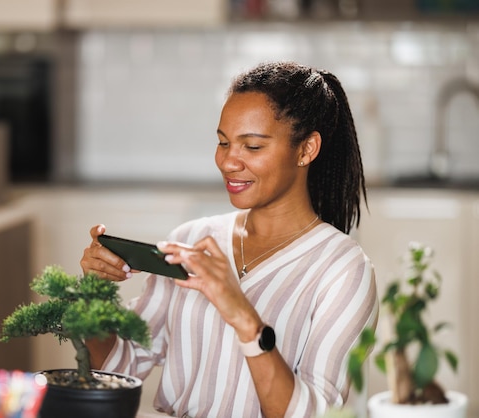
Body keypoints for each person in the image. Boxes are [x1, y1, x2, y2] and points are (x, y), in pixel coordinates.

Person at [80, 61, 378, 418]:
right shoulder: (192, 240)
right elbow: (120, 368)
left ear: (306, 149)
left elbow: (318, 412)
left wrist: (243, 316)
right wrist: (93, 296)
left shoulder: (343, 270)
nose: (227, 162)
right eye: (223, 143)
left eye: (252, 147)